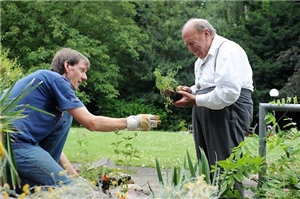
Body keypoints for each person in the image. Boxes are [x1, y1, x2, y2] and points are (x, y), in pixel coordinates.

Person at [5, 48, 161, 192]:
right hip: (14, 146)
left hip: (19, 148)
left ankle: (18, 187)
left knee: (67, 115)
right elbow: (92, 123)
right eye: (82, 70)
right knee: (70, 190)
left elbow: (52, 149)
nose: (85, 77)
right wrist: (134, 122)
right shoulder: (56, 79)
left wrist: (76, 178)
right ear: (67, 66)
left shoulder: (45, 84)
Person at [173, 18, 253, 197]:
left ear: (206, 34)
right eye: (186, 45)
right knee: (206, 165)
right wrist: (190, 90)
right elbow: (204, 86)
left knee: (224, 166)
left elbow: (229, 93)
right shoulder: (200, 60)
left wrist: (195, 100)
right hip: (207, 109)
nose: (190, 49)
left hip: (228, 110)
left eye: (191, 43)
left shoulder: (227, 51)